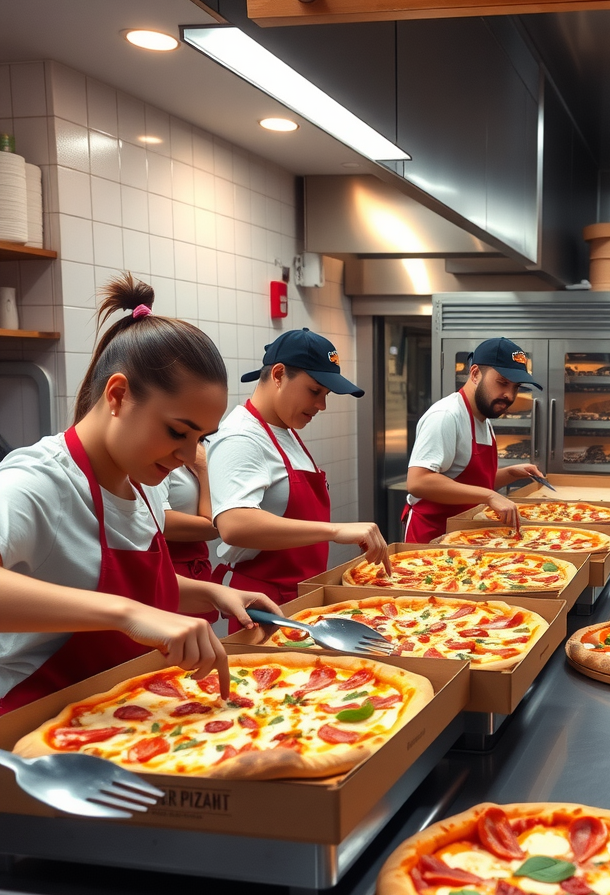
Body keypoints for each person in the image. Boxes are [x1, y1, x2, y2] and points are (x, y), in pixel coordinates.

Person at [0, 274, 276, 713]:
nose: (188, 455)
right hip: (34, 726)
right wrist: (124, 614)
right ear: (118, 394)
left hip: (118, 715)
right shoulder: (37, 481)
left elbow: (111, 581)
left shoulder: (138, 480)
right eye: (177, 432)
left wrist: (210, 594)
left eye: (200, 438)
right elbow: (123, 604)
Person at [209, 329, 390, 617]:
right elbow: (234, 525)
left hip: (301, 594)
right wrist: (335, 531)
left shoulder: (285, 430)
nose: (321, 405)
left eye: (326, 394)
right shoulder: (241, 437)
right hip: (267, 602)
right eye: (314, 391)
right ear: (279, 375)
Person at [404, 337, 546, 543]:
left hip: (464, 537)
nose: (509, 394)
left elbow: (467, 483)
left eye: (516, 387)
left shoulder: (482, 419)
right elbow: (418, 481)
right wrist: (490, 496)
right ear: (475, 374)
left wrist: (510, 473)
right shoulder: (446, 415)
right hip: (432, 541)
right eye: (502, 382)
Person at [152, 442, 219, 623]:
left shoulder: (196, 454)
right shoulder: (158, 459)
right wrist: (205, 468)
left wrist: (203, 469)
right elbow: (160, 521)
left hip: (195, 569)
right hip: (168, 568)